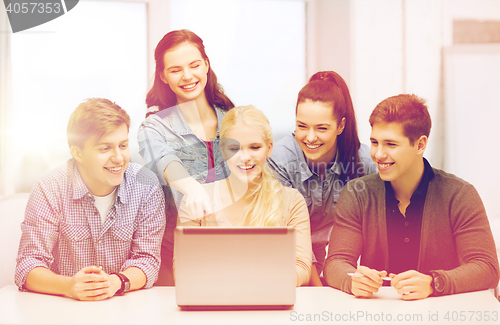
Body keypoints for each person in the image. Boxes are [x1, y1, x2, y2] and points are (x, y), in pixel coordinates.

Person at [324, 94, 499, 300]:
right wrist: (351, 279)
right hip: (376, 313)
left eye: (391, 144)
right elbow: (335, 263)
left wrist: (434, 283)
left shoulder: (459, 195)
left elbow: (487, 268)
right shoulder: (357, 194)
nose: (378, 154)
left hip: (442, 314)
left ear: (420, 145)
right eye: (374, 142)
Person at [15, 98, 166, 301]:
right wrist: (69, 286)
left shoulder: (146, 185)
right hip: (61, 307)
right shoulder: (49, 187)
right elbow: (28, 265)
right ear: (78, 153)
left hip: (125, 307)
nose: (119, 157)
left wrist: (115, 282)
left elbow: (147, 261)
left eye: (123, 145)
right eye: (105, 149)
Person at [137, 30, 234, 285]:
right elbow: (164, 160)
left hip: (234, 249)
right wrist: (192, 189)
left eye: (194, 65)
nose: (188, 76)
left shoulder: (234, 119)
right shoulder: (153, 127)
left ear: (206, 65)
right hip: (176, 256)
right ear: (163, 76)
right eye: (176, 69)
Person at [177, 105, 312, 286]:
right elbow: (183, 270)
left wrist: (259, 284)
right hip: (213, 306)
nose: (245, 157)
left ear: (269, 148)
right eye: (234, 148)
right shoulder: (195, 201)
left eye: (255, 147)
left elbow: (302, 266)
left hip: (271, 303)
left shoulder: (292, 202)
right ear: (222, 150)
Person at [268, 71, 376, 285]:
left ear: (341, 126)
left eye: (321, 128)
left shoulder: (365, 163)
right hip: (291, 261)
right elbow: (285, 237)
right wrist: (321, 288)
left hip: (342, 260)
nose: (310, 137)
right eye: (302, 126)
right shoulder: (279, 160)